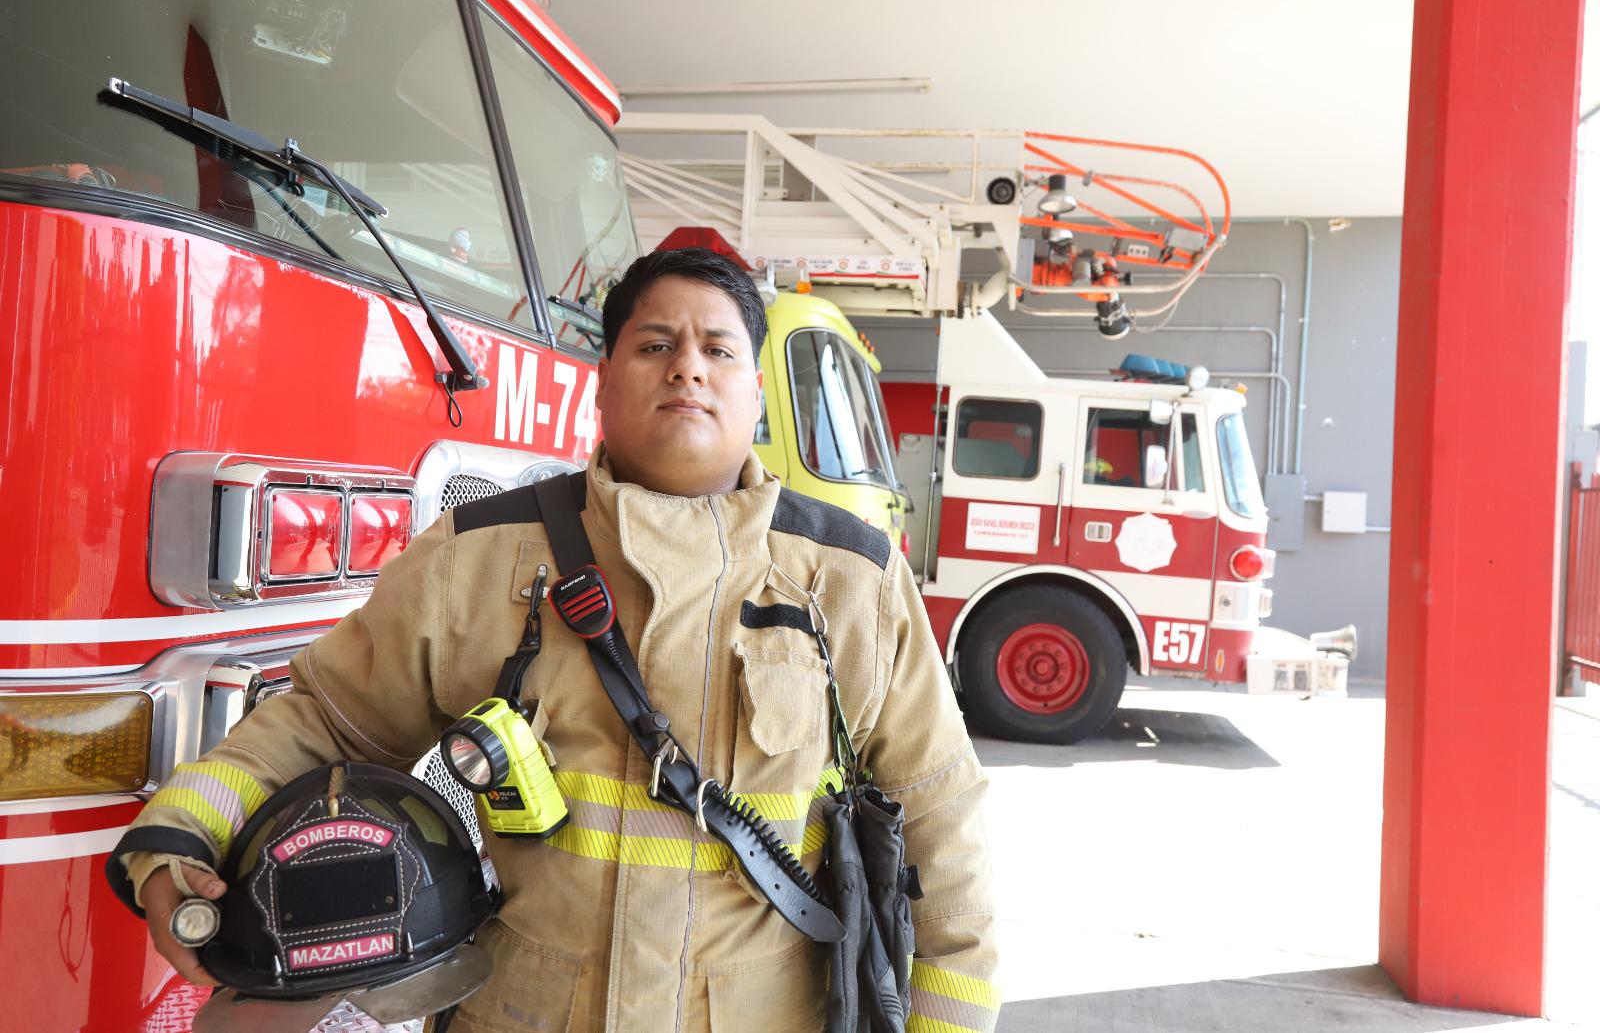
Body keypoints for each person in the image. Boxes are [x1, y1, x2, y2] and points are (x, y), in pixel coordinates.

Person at [108, 247, 999, 1032]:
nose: (687, 368)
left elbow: (940, 821)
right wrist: (182, 832)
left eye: (719, 350)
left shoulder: (848, 578)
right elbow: (323, 724)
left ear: (753, 393)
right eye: (655, 345)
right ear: (603, 383)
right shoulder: (478, 558)